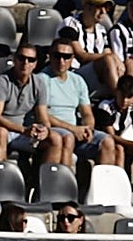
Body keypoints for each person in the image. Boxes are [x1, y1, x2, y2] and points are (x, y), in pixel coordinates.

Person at [0, 41, 64, 165]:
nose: (25, 63)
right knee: (1, 133)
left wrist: (44, 129)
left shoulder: (39, 83)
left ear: (35, 64)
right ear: (14, 60)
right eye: (21, 58)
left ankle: (45, 180)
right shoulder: (3, 81)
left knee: (55, 139)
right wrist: (23, 130)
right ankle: (0, 178)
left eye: (30, 60)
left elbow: (43, 116)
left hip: (19, 131)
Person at [43, 38, 117, 166]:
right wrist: (73, 129)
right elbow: (42, 115)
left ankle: (102, 184)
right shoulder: (41, 80)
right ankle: (63, 183)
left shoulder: (78, 81)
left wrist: (87, 128)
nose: (61, 61)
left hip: (75, 131)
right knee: (67, 137)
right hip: (52, 131)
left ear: (72, 59)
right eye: (57, 56)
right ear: (50, 56)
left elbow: (87, 113)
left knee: (107, 141)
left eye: (66, 57)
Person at [60, 0, 119, 99]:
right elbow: (81, 56)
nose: (103, 12)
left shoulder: (101, 30)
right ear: (87, 6)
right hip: (73, 74)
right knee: (109, 60)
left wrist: (118, 62)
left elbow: (108, 52)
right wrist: (111, 59)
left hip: (95, 74)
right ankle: (121, 99)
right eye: (99, 7)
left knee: (129, 63)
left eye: (106, 8)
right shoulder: (70, 24)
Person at [96, 75, 133, 174]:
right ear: (117, 92)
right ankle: (121, 183)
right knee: (119, 149)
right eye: (122, 95)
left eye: (129, 97)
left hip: (122, 141)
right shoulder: (105, 107)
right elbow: (110, 135)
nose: (125, 101)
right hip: (104, 142)